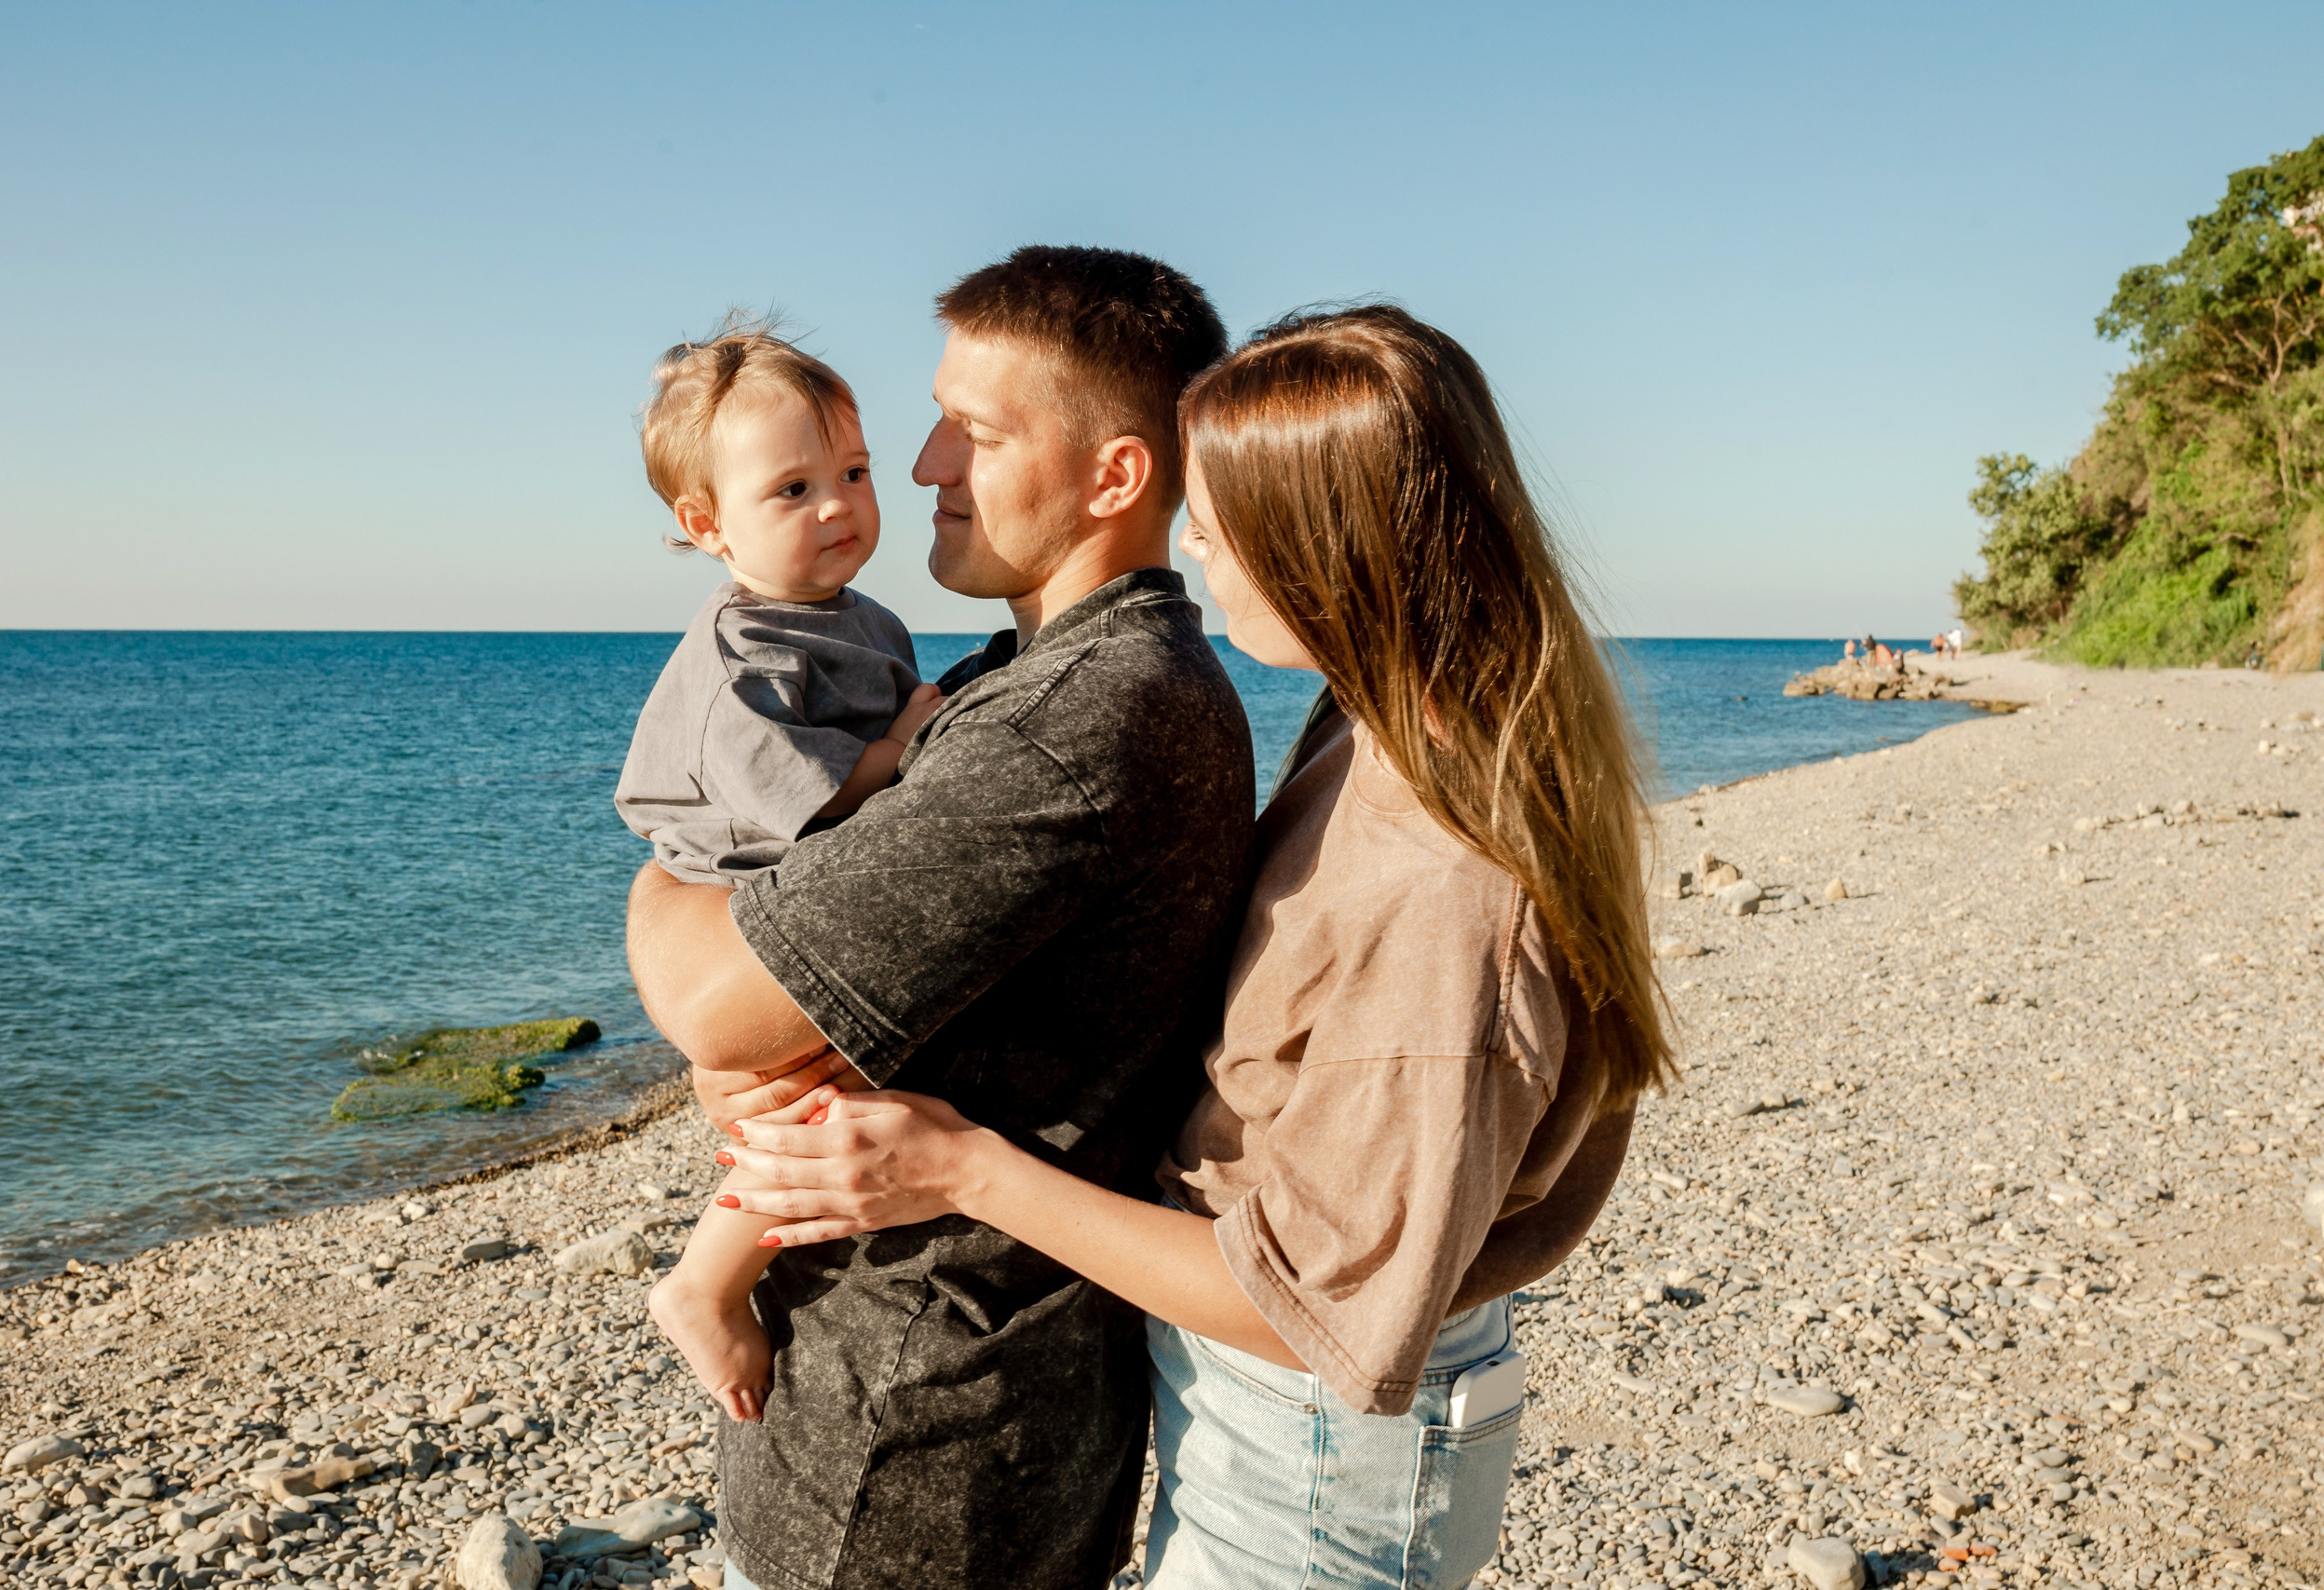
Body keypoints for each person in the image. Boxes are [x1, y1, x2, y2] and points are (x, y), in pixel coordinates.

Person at [718, 306, 1674, 1589]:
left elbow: (1318, 1308)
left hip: (1321, 1461)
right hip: (1279, 1435)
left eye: (1223, 514)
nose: (1196, 543)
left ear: (1334, 539)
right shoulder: (1386, 729)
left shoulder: (1449, 887)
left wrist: (963, 1167)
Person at [623, 247, 1250, 1590]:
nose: (916, 470)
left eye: (969, 430)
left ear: (1115, 475)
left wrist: (669, 891)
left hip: (912, 1441)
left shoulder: (1071, 721)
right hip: (954, 1404)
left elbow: (716, 1005)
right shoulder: (1029, 678)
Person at [610, 319, 945, 1425]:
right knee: (816, 1086)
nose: (840, 506)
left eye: (852, 473)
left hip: (798, 883)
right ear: (707, 524)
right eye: (792, 489)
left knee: (826, 1088)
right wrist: (898, 758)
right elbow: (798, 797)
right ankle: (706, 1281)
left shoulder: (862, 617)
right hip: (744, 886)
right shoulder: (739, 660)